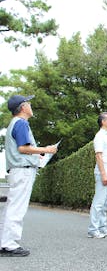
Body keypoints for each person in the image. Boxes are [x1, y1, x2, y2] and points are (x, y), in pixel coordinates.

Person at [0, 95, 57, 257]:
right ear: (23, 107)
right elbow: (23, 148)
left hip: (17, 169)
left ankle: (4, 242)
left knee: (11, 207)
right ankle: (10, 245)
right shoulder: (21, 123)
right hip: (22, 170)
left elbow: (24, 149)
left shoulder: (15, 124)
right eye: (29, 103)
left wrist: (36, 155)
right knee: (17, 208)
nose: (31, 105)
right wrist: (46, 150)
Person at [87, 112, 107, 239]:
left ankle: (102, 227)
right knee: (99, 201)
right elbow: (98, 156)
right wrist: (103, 173)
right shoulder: (100, 136)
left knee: (105, 202)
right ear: (103, 122)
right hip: (103, 171)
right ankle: (93, 229)